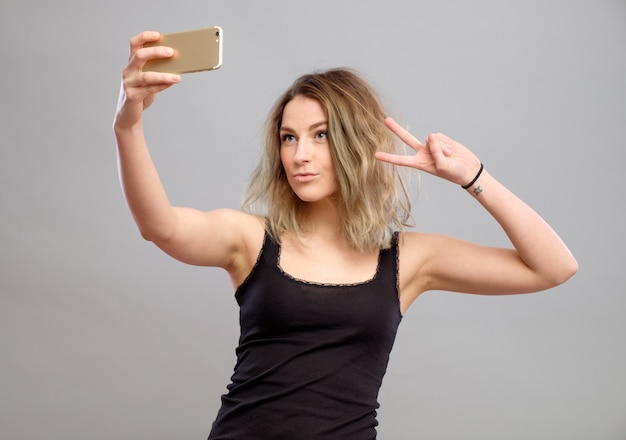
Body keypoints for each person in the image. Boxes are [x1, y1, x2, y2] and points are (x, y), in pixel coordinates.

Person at [114, 31, 578, 439]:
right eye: (288, 137)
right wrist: (128, 122)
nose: (299, 154)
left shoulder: (410, 260)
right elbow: (160, 225)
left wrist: (473, 177)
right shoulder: (252, 239)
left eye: (320, 135)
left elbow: (554, 267)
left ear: (355, 143)